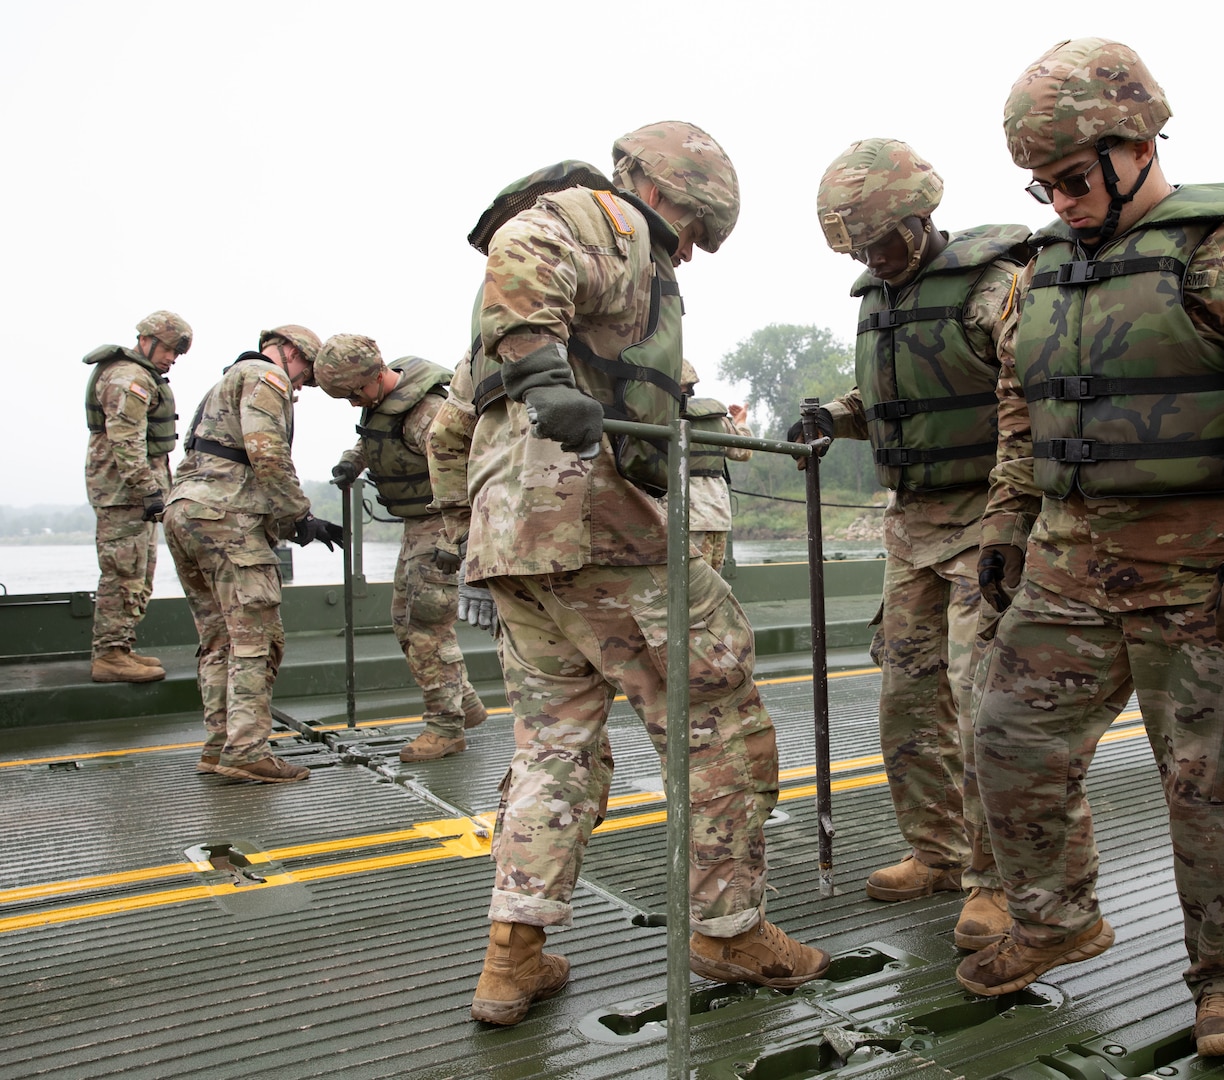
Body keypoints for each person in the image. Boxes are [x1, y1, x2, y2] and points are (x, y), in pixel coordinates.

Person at [958, 39, 1224, 1059]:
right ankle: (1055, 918)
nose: (1058, 200)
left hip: (1210, 578)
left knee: (1218, 790)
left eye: (1073, 177)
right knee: (1006, 741)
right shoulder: (1037, 278)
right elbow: (1022, 414)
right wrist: (1006, 523)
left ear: (1136, 144)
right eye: (1040, 183)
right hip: (1070, 567)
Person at [458, 122, 827, 1027]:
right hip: (598, 527)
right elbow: (526, 248)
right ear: (667, 194)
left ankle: (513, 958)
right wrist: (547, 376)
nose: (690, 254)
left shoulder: (605, 250)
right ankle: (730, 929)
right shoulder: (607, 217)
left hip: (517, 543)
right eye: (696, 230)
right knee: (719, 718)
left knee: (553, 750)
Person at [799, 137, 1027, 949]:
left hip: (986, 520)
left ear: (921, 218)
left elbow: (1026, 402)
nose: (870, 257)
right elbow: (901, 392)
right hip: (914, 527)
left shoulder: (993, 288)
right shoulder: (879, 296)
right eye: (856, 247)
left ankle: (997, 878)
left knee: (979, 705)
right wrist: (840, 416)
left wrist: (1013, 517)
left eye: (880, 241)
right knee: (905, 701)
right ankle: (935, 849)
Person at [165, 325, 344, 783]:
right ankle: (246, 750)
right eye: (306, 371)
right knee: (255, 636)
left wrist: (290, 524)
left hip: (185, 512)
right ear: (287, 352)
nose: (303, 384)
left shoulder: (221, 385)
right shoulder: (268, 377)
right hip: (227, 518)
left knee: (218, 638)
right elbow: (267, 454)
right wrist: (301, 516)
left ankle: (219, 746)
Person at [314, 335, 487, 762]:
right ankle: (463, 702)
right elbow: (373, 438)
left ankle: (446, 728)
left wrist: (454, 541)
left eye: (356, 393)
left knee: (426, 626)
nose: (354, 403)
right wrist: (352, 462)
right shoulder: (383, 402)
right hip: (416, 526)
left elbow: (467, 476)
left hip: (441, 525)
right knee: (403, 621)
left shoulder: (426, 415)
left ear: (375, 375)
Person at [83, 311, 192, 683]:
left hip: (134, 493)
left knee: (139, 573)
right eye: (168, 350)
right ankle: (109, 654)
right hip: (123, 493)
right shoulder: (128, 377)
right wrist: (148, 490)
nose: (171, 359)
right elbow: (126, 443)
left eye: (176, 354)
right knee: (122, 572)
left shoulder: (138, 376)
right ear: (147, 340)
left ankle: (121, 647)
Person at [680, 359, 752, 572]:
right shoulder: (719, 420)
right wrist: (741, 422)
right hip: (719, 515)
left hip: (688, 516)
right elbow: (744, 452)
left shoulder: (664, 416)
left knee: (691, 585)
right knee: (714, 585)